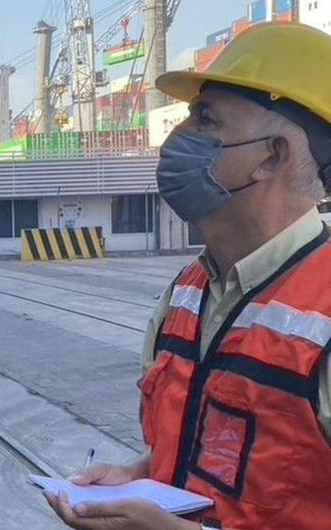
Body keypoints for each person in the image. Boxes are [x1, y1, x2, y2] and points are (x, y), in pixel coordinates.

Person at [46, 22, 331, 530]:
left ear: (273, 155)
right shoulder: (187, 292)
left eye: (205, 120)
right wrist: (138, 476)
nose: (177, 139)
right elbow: (214, 456)